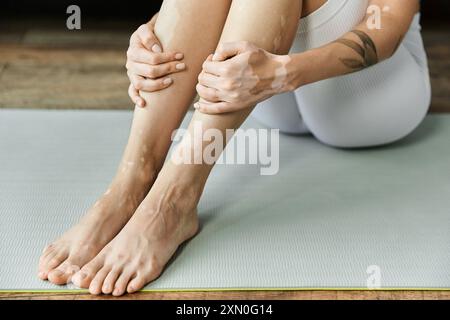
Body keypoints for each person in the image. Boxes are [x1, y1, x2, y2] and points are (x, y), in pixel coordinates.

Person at [38, 0, 429, 296]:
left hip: (369, 101)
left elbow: (389, 25)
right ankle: (130, 184)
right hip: (264, 98)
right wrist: (151, 37)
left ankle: (172, 202)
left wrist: (284, 73)